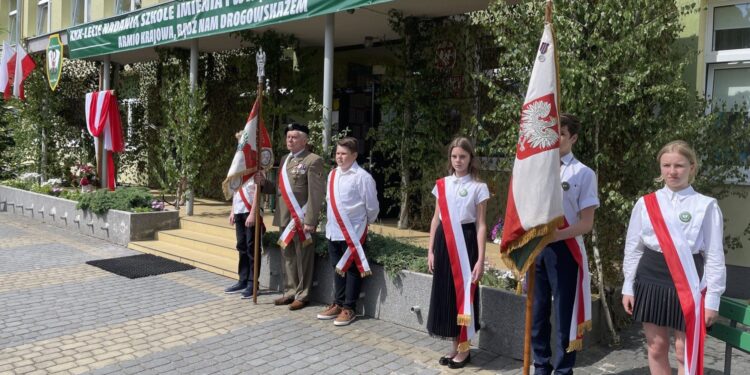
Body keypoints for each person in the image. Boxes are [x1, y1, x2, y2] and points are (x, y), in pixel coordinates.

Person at [622, 140, 725, 375]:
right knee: (656, 347)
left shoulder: (706, 206)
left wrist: (713, 299)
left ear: (692, 166)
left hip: (688, 280)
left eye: (679, 165)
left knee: (684, 351)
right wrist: (628, 285)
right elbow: (634, 247)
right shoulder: (646, 203)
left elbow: (715, 255)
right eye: (666, 165)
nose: (672, 171)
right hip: (650, 278)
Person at [532, 114, 599, 375]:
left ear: (573, 138)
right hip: (538, 249)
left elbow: (586, 223)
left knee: (563, 317)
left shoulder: (583, 173)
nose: (555, 138)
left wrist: (555, 236)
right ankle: (541, 366)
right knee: (538, 314)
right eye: (552, 133)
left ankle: (562, 371)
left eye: (560, 133)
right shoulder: (537, 170)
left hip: (565, 249)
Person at [426, 137, 488, 369]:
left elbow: (482, 224)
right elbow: (435, 218)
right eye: (454, 156)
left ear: (471, 158)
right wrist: (430, 249)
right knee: (447, 294)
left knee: (464, 294)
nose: (458, 160)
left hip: (467, 241)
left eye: (463, 156)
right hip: (444, 241)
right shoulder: (442, 184)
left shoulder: (479, 187)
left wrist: (480, 259)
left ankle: (465, 349)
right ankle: (455, 346)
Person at [316, 137, 379, 326]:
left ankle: (349, 308)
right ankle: (338, 302)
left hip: (353, 232)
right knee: (338, 268)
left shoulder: (363, 177)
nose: (339, 157)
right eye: (337, 153)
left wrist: (364, 225)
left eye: (344, 154)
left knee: (351, 270)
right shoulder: (333, 174)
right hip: (333, 230)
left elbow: (372, 207)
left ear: (354, 155)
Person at [273, 123, 325, 310]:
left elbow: (316, 193)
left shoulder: (313, 160)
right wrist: (263, 184)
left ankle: (303, 295)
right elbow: (279, 190)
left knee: (303, 258)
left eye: (294, 137)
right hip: (285, 218)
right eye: (288, 136)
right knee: (287, 256)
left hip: (302, 219)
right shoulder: (285, 159)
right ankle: (289, 291)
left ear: (305, 140)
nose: (290, 139)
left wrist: (310, 220)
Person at [224, 171, 274, 298]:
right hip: (239, 211)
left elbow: (258, 192)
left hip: (251, 211)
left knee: (252, 247)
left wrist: (253, 213)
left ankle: (253, 283)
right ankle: (243, 279)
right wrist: (232, 211)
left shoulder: (257, 169)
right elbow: (236, 191)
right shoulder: (239, 169)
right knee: (241, 246)